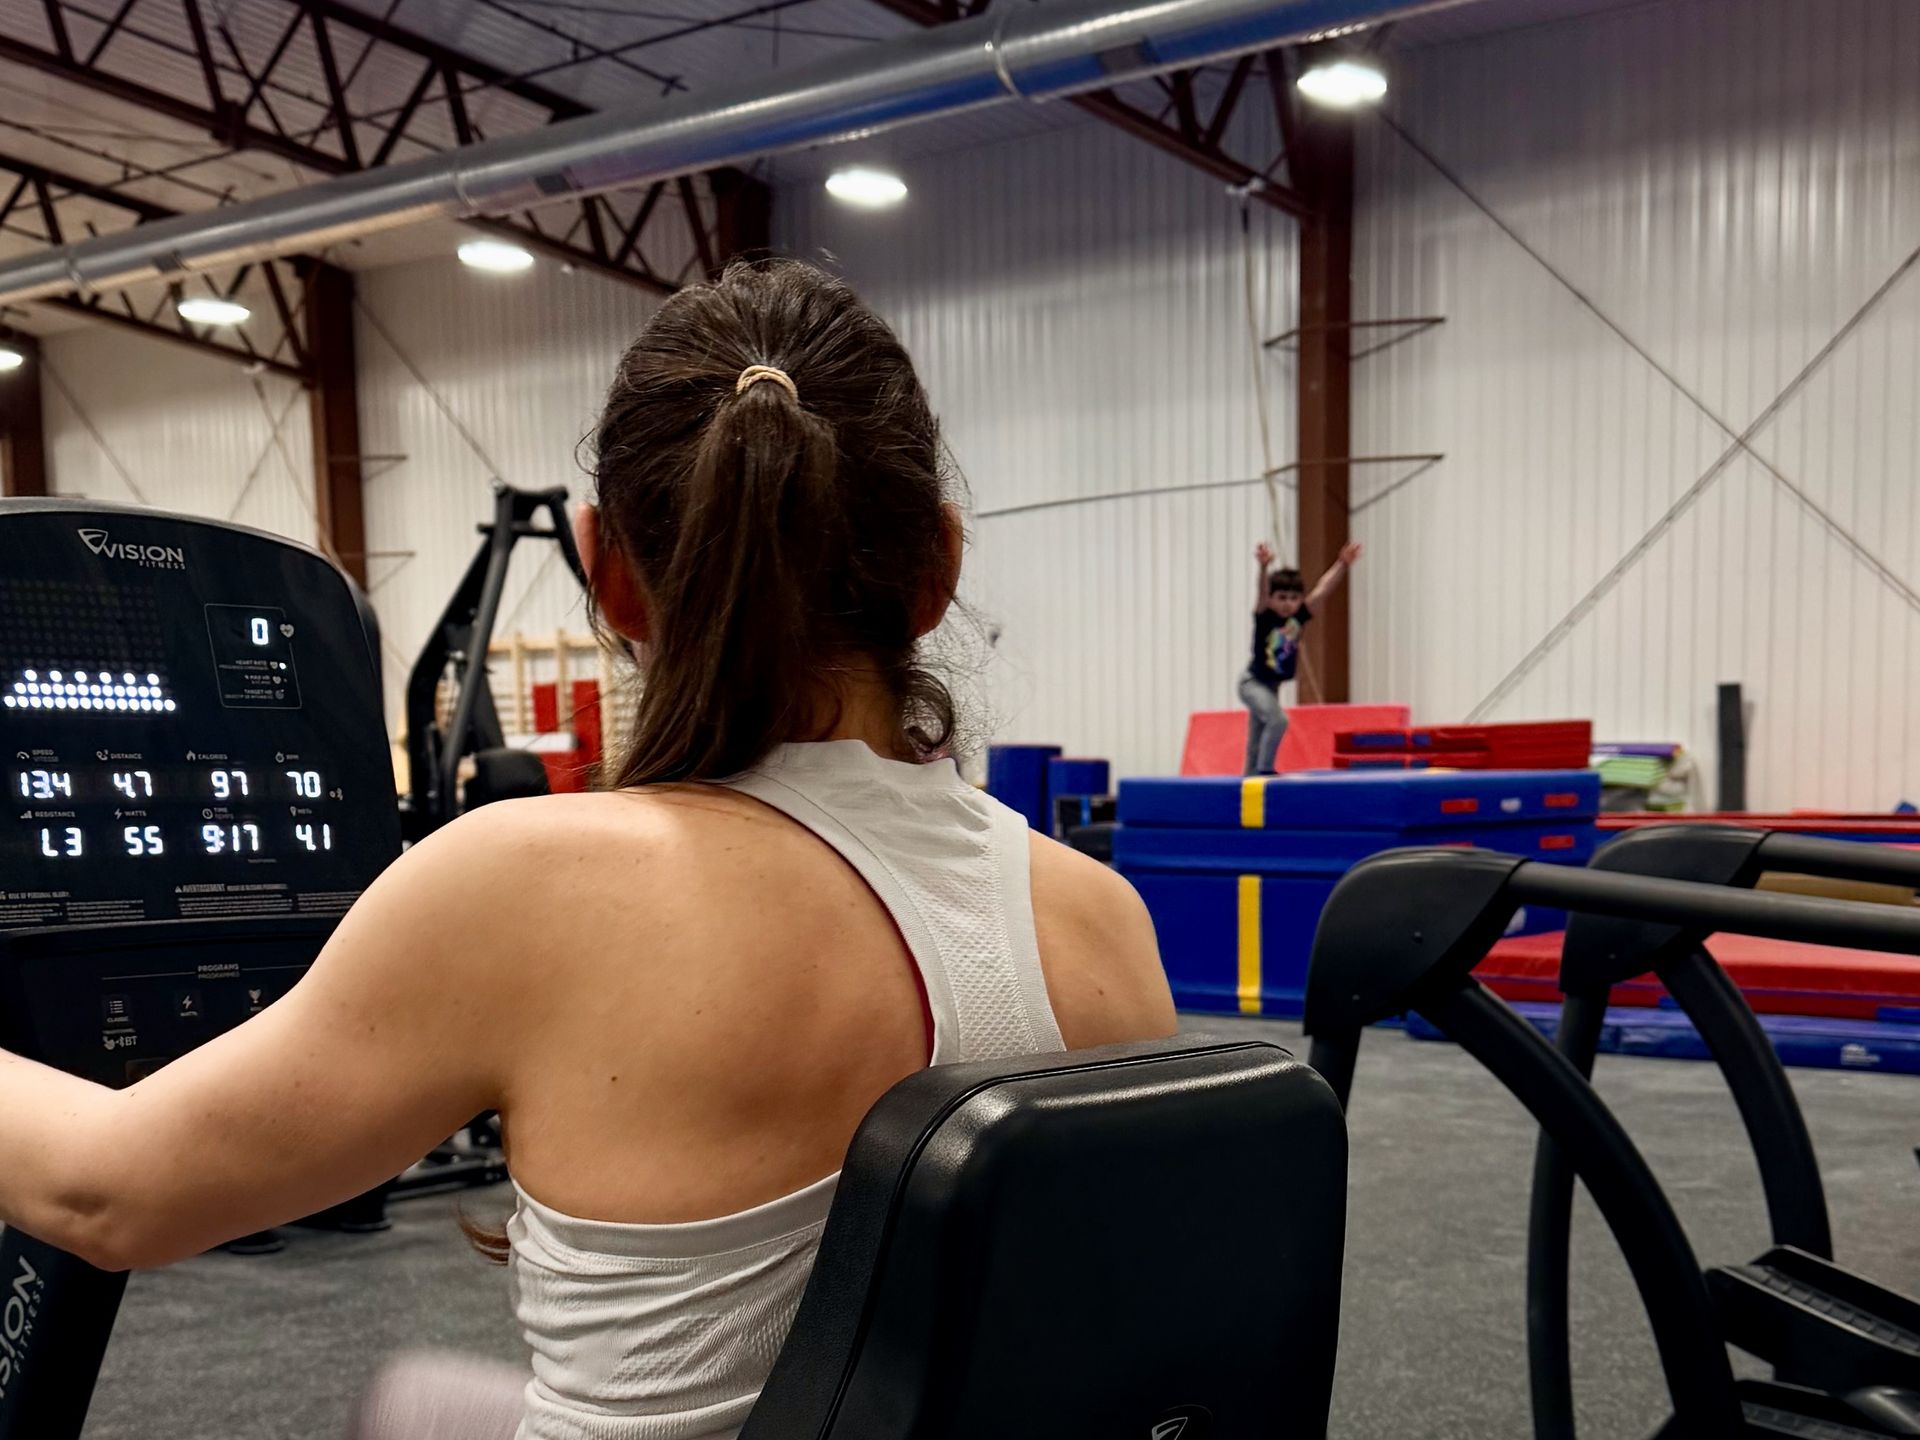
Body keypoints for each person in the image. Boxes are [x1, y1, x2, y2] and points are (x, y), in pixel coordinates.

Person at [0, 260, 1177, 1440]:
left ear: (605, 570)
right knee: (421, 1412)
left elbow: (108, 1194)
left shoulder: (525, 886)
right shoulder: (1100, 918)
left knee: (407, 1406)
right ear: (940, 567)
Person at [1238, 540, 1363, 776]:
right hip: (1252, 683)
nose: (1287, 604)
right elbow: (1262, 590)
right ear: (1272, 599)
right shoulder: (1265, 615)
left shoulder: (1299, 617)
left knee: (1257, 735)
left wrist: (1342, 564)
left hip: (1271, 686)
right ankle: (1264, 770)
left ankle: (1250, 779)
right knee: (1278, 721)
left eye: (1293, 598)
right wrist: (1264, 567)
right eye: (1281, 597)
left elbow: (1322, 590)